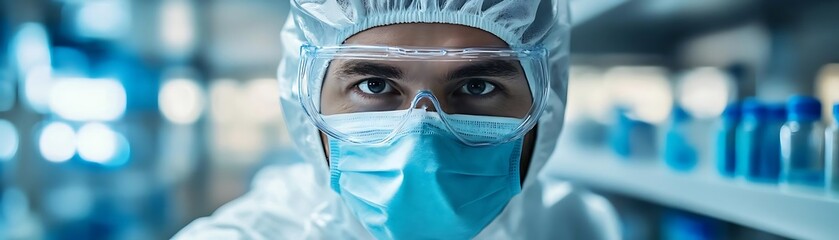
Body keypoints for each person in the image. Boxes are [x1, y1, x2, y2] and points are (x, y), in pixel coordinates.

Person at [174, 0, 620, 239]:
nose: (420, 135)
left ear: (547, 103)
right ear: (305, 99)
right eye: (373, 85)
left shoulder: (578, 226)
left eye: (478, 86)